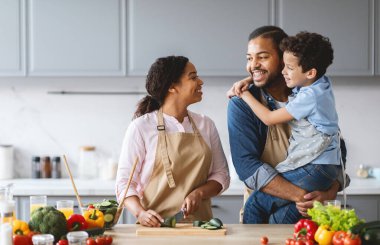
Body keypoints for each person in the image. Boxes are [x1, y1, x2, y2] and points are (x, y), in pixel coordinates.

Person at [226, 26, 349, 224]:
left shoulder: (307, 93)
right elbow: (247, 166)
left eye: (262, 57)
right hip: (272, 210)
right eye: (249, 58)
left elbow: (337, 148)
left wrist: (330, 190)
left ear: (285, 58)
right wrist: (302, 195)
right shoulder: (242, 104)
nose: (253, 65)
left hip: (311, 212)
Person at [116, 55, 230, 227]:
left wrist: (198, 193)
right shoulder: (141, 127)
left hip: (201, 227)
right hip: (155, 228)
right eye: (193, 77)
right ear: (171, 87)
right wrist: (140, 213)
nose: (200, 81)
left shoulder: (206, 125)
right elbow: (124, 182)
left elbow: (221, 175)